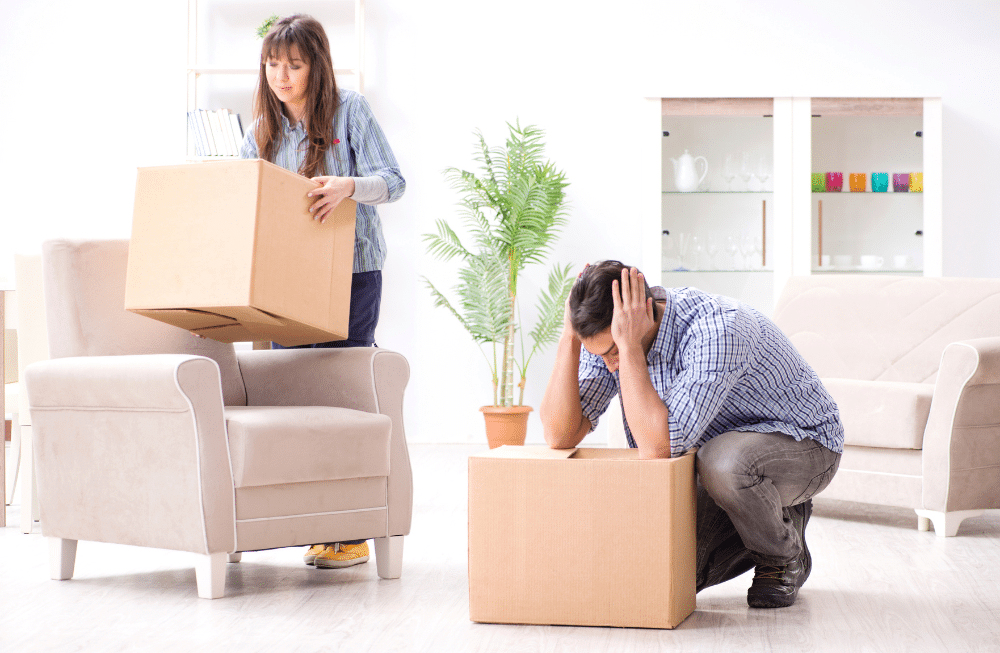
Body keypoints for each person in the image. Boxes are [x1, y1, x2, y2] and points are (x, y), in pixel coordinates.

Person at [539, 261, 844, 608]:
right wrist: (570, 338)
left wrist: (629, 349)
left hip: (803, 445)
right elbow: (559, 434)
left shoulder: (718, 329)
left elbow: (657, 449)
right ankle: (768, 513)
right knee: (666, 572)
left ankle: (783, 556)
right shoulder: (606, 338)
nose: (609, 364)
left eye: (612, 352)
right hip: (703, 460)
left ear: (642, 314)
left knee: (724, 462)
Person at [240, 14, 405, 570]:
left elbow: (395, 181)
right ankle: (311, 521)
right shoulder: (262, 121)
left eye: (294, 64)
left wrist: (347, 187)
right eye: (273, 63)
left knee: (341, 396)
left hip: (353, 273)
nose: (281, 74)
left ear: (317, 65)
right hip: (288, 279)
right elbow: (246, 193)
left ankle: (352, 529)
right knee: (292, 397)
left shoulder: (350, 110)